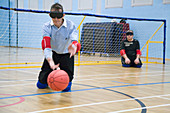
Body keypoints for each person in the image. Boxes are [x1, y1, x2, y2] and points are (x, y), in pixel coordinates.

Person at [36, 3, 81, 92]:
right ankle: (50, 81)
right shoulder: (46, 27)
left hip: (67, 55)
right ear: (49, 15)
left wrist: (74, 46)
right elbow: (46, 46)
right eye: (53, 16)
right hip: (53, 53)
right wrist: (50, 62)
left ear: (63, 15)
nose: (56, 19)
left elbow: (75, 40)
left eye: (59, 16)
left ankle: (59, 82)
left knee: (66, 88)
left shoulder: (70, 25)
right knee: (40, 85)